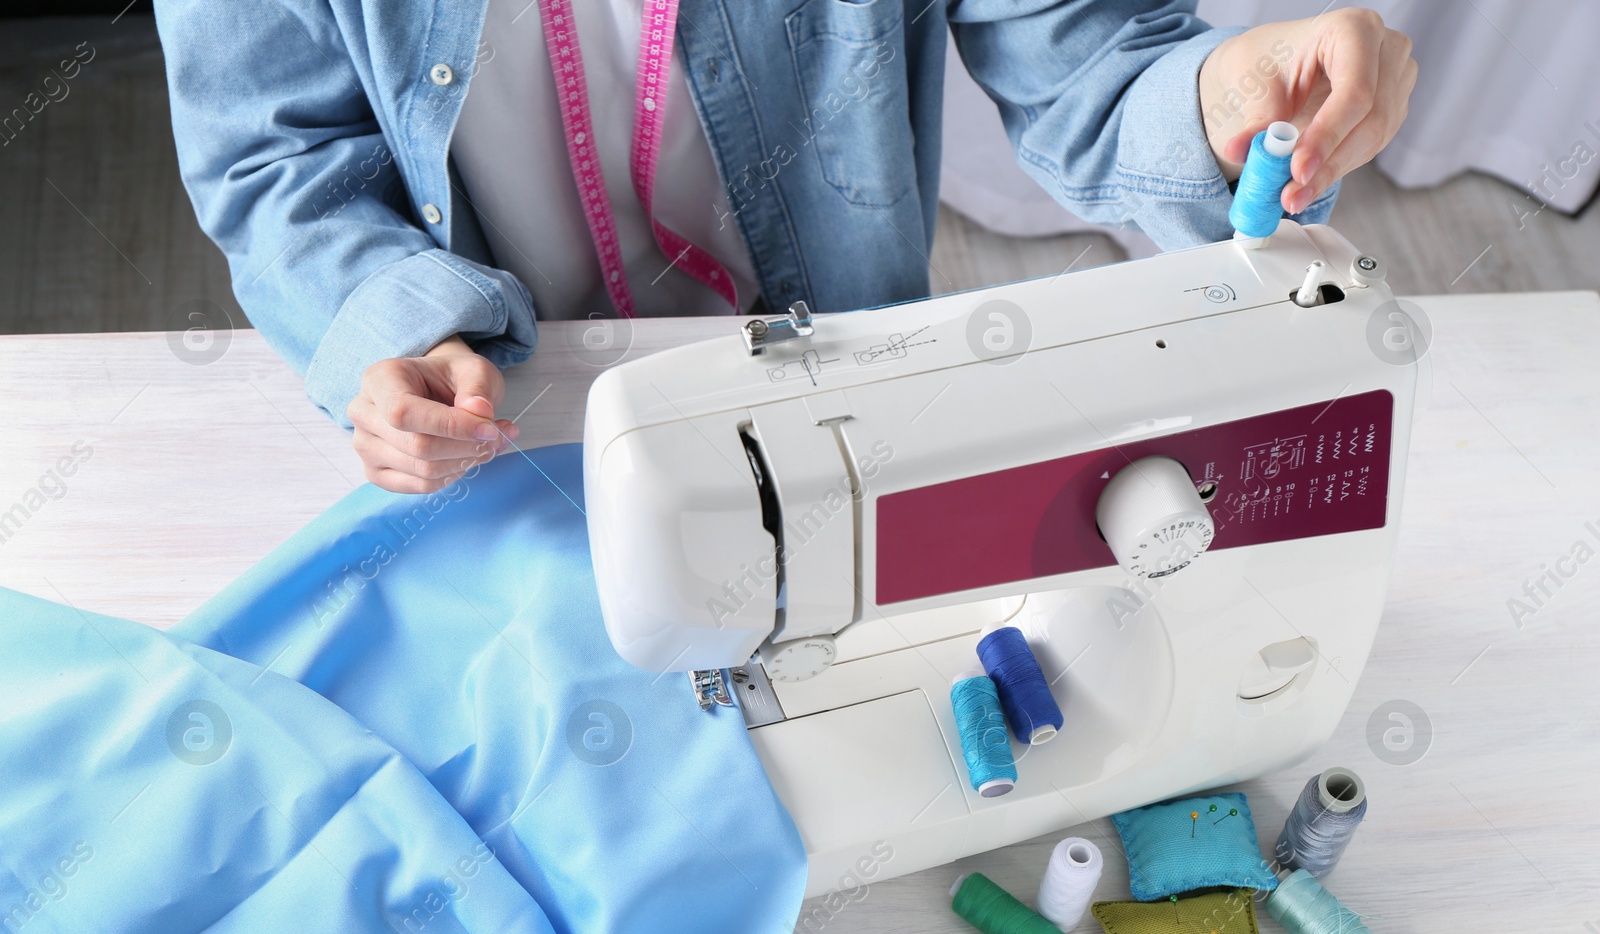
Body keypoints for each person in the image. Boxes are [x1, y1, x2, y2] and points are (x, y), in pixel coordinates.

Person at [156, 1, 1414, 494]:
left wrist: (1226, 91)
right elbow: (278, 160)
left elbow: (1084, 59)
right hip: (494, 418)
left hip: (832, 397)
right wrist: (384, 325)